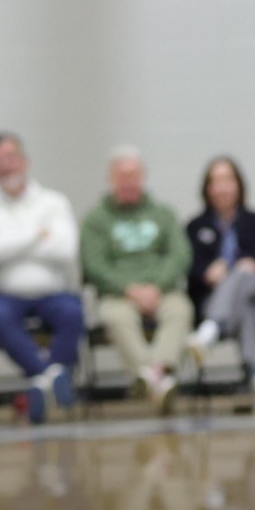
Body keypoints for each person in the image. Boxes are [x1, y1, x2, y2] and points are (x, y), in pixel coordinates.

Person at [0, 132, 83, 420]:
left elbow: (66, 250)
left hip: (52, 293)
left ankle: (41, 384)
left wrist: (9, 242)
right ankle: (51, 378)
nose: (6, 167)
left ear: (25, 161)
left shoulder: (54, 202)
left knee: (73, 312)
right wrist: (37, 235)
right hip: (4, 298)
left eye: (11, 158)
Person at [81, 146, 192, 413]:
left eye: (134, 175)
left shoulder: (163, 213)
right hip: (119, 295)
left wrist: (156, 286)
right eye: (122, 175)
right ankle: (159, 380)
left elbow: (180, 255)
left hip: (162, 290)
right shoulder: (96, 219)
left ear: (143, 177)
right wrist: (129, 289)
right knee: (115, 317)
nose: (129, 181)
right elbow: (94, 265)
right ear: (111, 178)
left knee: (181, 309)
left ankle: (151, 373)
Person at [183, 156, 255, 414]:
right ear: (206, 188)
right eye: (215, 181)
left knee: (243, 275)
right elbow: (190, 270)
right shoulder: (195, 227)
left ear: (238, 185)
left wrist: (233, 268)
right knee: (246, 312)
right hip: (221, 299)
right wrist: (208, 273)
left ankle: (210, 331)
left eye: (228, 180)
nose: (222, 187)